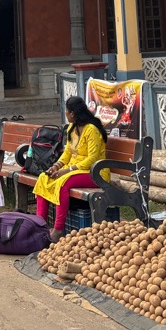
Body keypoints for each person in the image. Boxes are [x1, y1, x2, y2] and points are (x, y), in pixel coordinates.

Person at [33, 95, 109, 240]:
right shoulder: (71, 129)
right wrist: (55, 167)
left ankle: (58, 229)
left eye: (67, 112)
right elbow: (67, 153)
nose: (66, 114)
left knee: (63, 183)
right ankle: (39, 225)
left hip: (94, 172)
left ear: (73, 113)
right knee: (44, 178)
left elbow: (92, 158)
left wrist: (67, 170)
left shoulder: (91, 129)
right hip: (74, 170)